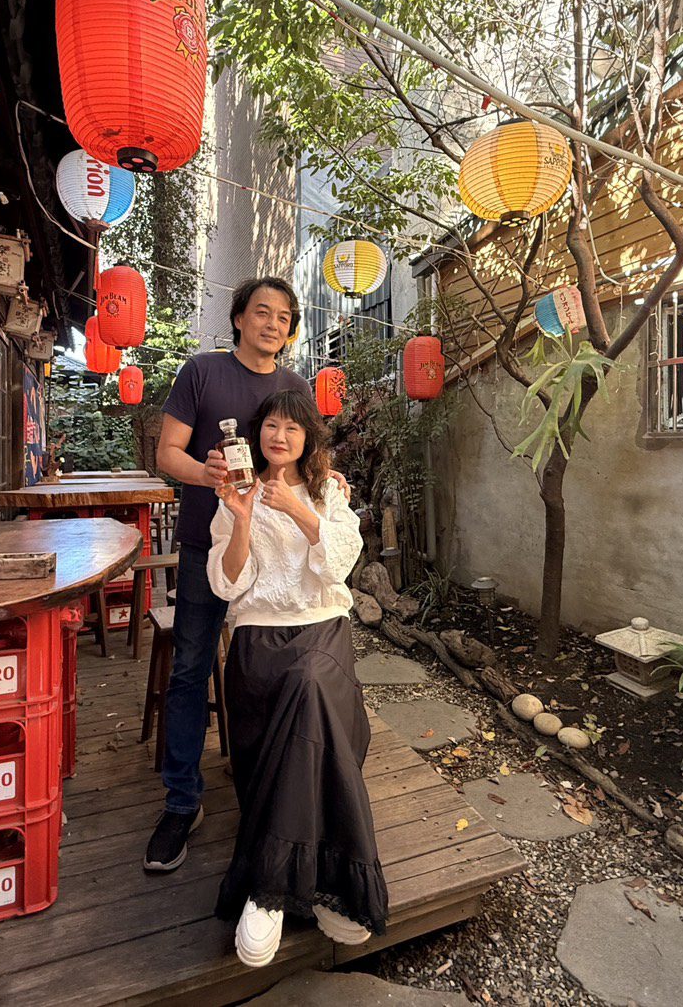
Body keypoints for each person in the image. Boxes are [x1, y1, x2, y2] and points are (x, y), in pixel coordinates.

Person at [146, 277, 348, 872]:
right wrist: (212, 478)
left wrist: (328, 481)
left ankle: (267, 771)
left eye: (285, 317)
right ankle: (182, 802)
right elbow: (167, 455)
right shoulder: (202, 373)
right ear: (239, 318)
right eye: (262, 312)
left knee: (269, 664)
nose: (273, 324)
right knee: (190, 668)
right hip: (210, 545)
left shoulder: (292, 385)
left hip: (274, 558)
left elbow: (308, 455)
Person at [208, 387, 387, 967]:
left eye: (292, 427)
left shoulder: (329, 492)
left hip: (321, 630)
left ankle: (268, 890)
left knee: (310, 685)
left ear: (308, 438)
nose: (279, 435)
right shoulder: (236, 492)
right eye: (271, 426)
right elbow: (229, 585)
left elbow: (339, 563)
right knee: (304, 707)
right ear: (255, 435)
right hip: (259, 635)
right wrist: (241, 521)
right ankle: (325, 882)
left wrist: (299, 509)